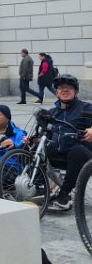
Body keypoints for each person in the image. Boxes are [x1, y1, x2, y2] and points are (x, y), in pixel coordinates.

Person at [44, 74, 92, 211]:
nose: (65, 90)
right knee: (32, 148)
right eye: (61, 88)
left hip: (84, 157)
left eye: (69, 88)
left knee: (77, 151)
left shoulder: (86, 108)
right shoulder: (51, 113)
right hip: (58, 155)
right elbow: (43, 134)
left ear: (75, 91)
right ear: (57, 92)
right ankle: (38, 188)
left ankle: (64, 195)